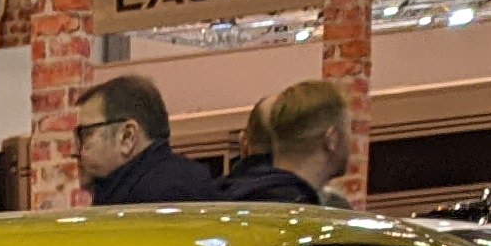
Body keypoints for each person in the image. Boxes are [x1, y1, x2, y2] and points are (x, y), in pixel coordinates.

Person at [71, 75, 219, 206]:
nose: (75, 151)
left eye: (85, 134)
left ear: (127, 137)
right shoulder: (174, 180)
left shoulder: (157, 196)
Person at [221, 81, 351, 204]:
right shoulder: (309, 211)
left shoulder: (222, 197)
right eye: (349, 130)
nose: (350, 141)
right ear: (332, 139)